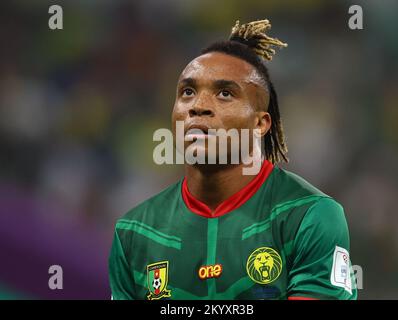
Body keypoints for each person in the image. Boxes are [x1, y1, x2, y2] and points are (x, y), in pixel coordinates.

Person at [109, 19, 357, 300]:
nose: (198, 107)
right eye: (187, 92)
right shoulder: (134, 232)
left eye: (225, 93)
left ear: (260, 124)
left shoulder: (309, 216)